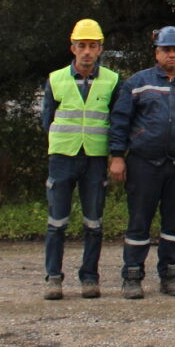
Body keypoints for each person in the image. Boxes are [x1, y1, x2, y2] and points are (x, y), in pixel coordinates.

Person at [108, 26, 175, 299]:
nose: (171, 55)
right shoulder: (137, 83)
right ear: (157, 52)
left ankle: (170, 274)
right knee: (139, 221)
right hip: (144, 164)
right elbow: (120, 121)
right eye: (166, 49)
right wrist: (118, 156)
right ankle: (132, 275)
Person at [41, 18, 119, 300]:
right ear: (72, 48)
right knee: (57, 221)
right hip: (63, 157)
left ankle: (89, 277)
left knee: (94, 223)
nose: (87, 51)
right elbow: (46, 119)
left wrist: (116, 156)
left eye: (92, 46)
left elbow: (116, 121)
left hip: (95, 158)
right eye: (82, 46)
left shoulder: (112, 80)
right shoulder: (56, 79)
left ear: (100, 49)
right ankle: (53, 278)